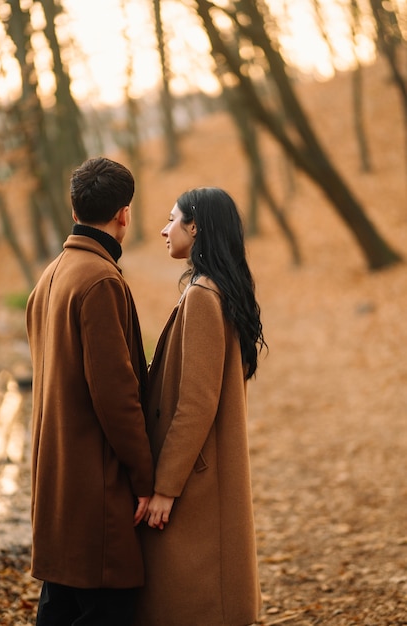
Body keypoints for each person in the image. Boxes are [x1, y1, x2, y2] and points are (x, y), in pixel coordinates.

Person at [26, 156, 154, 626]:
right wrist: (145, 479)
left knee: (58, 607)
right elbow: (116, 396)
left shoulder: (51, 275)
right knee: (107, 611)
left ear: (74, 207)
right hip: (96, 494)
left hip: (58, 489)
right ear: (124, 213)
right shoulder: (99, 280)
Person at [135, 187, 267, 626]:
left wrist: (166, 488)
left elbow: (196, 403)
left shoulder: (203, 296)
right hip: (202, 473)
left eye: (172, 219)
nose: (163, 229)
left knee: (193, 603)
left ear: (195, 227)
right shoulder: (213, 290)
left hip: (195, 481)